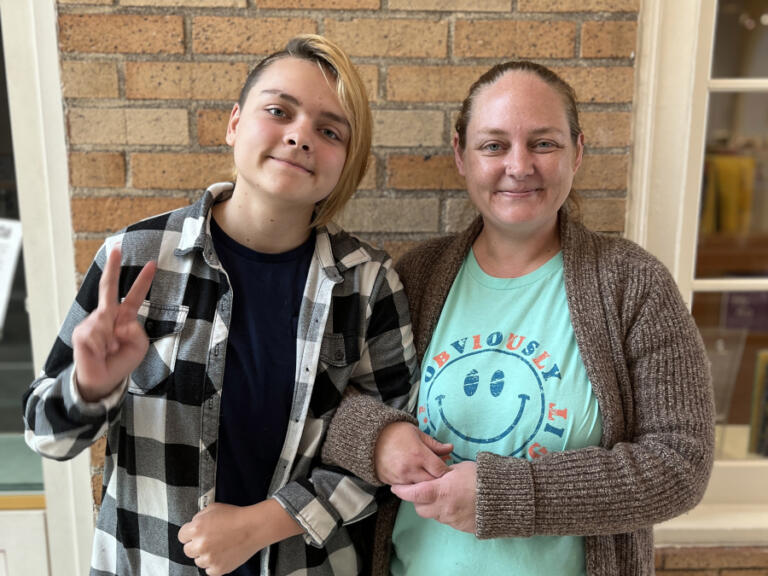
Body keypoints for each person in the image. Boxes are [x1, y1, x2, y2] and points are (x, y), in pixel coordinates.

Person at [22, 34, 448, 576]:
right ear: (234, 123)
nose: (299, 137)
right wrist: (89, 387)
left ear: (348, 161)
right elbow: (47, 438)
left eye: (328, 130)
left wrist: (263, 524)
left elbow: (392, 454)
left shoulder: (367, 284)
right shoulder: (135, 261)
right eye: (278, 111)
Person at [322, 60, 715, 575]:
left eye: (544, 143)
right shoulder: (412, 277)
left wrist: (509, 495)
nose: (519, 165)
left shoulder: (632, 284)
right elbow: (324, 400)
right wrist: (376, 438)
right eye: (494, 145)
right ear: (461, 155)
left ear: (577, 150)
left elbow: (680, 464)